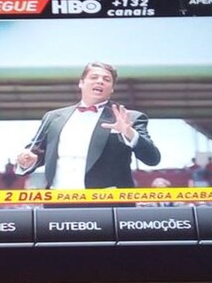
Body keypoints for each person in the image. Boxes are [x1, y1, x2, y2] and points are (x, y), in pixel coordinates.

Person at [14, 61, 160, 189]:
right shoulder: (53, 117)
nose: (100, 81)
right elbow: (36, 151)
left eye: (106, 79)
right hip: (58, 201)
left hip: (107, 203)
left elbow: (152, 159)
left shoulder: (129, 117)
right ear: (81, 83)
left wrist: (129, 133)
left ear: (112, 88)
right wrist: (27, 161)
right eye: (94, 77)